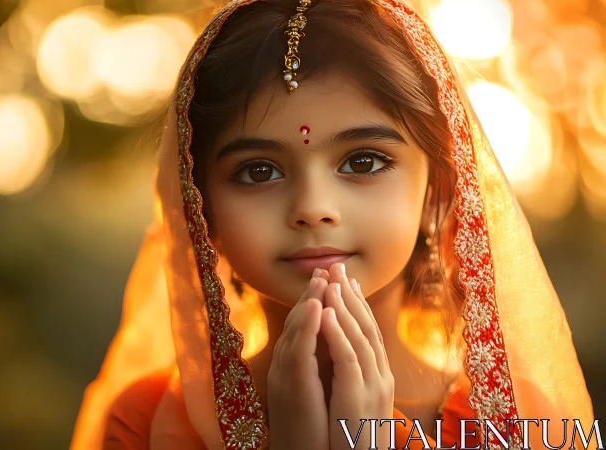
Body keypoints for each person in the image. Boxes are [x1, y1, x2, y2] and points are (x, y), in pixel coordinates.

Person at [70, 0, 594, 449]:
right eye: (259, 171)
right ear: (201, 210)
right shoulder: (146, 426)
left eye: (363, 162)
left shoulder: (515, 422)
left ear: (437, 194)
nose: (314, 207)